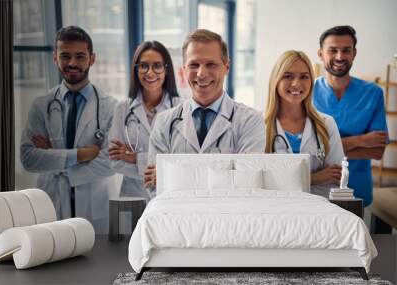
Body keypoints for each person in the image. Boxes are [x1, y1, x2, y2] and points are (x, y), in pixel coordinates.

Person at [20, 26, 118, 234]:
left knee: (96, 264)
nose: (72, 63)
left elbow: (110, 162)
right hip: (53, 204)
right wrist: (81, 154)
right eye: (65, 56)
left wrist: (53, 158)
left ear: (92, 59)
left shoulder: (110, 106)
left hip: (95, 207)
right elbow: (28, 158)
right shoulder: (41, 105)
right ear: (55, 58)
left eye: (80, 56)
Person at [144, 29, 265, 190]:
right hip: (178, 214)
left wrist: (174, 177)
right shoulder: (165, 122)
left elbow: (246, 185)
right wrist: (224, 173)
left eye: (211, 64)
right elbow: (154, 186)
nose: (201, 74)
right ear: (184, 69)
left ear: (226, 67)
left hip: (228, 214)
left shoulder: (250, 121)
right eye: (194, 65)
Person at [313, 26, 389, 207]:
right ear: (321, 54)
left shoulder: (373, 94)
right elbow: (307, 151)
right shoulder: (307, 93)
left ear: (354, 53)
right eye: (333, 50)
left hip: (357, 189)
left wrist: (326, 148)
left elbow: (377, 151)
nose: (340, 57)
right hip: (316, 191)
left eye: (346, 50)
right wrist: (361, 140)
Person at [265, 50, 344, 196]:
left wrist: (286, 181)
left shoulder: (326, 124)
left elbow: (336, 179)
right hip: (274, 211)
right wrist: (314, 178)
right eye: (287, 76)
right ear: (276, 80)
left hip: (318, 211)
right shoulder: (260, 126)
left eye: (304, 77)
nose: (296, 84)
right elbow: (259, 182)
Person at [108, 41, 181, 199]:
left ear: (166, 70)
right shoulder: (123, 109)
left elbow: (180, 160)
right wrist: (158, 168)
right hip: (132, 196)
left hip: (169, 196)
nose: (149, 72)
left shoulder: (180, 109)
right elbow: (115, 162)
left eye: (157, 66)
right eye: (143, 66)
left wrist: (135, 158)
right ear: (136, 69)